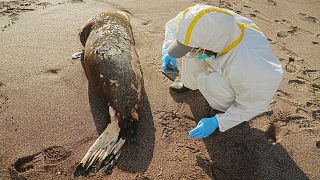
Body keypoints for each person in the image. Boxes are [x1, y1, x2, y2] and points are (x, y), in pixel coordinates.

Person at [161, 4, 283, 139]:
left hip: (239, 69)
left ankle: (223, 109)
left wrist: (219, 121)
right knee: (191, 53)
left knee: (211, 80)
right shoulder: (197, 16)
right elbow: (174, 26)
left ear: (211, 42)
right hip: (216, 53)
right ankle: (190, 83)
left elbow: (253, 105)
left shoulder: (254, 68)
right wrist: (167, 50)